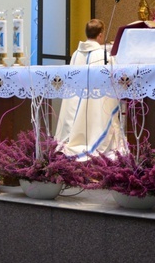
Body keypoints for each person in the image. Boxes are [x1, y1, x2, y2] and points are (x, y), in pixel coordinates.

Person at [54, 19, 126, 158]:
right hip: (95, 104)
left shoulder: (76, 54)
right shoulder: (102, 55)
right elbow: (113, 77)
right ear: (100, 35)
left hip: (77, 101)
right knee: (96, 123)